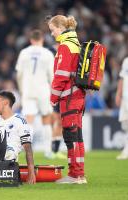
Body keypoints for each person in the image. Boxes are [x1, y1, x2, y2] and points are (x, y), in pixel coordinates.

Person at [48, 15, 87, 184]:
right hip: (78, 96)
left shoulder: (65, 46)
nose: (51, 34)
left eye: (53, 30)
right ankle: (80, 174)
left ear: (61, 28)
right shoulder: (76, 44)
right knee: (77, 136)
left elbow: (61, 75)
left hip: (69, 97)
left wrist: (53, 97)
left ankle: (75, 175)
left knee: (71, 137)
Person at [15, 29, 55, 159]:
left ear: (31, 40)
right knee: (46, 119)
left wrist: (21, 89)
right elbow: (52, 76)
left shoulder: (24, 53)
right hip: (44, 90)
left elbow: (19, 74)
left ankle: (26, 149)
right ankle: (48, 151)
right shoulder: (48, 53)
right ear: (42, 39)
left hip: (28, 90)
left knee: (29, 121)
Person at [0, 91, 36, 184]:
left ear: (6, 103)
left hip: (9, 157)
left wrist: (31, 172)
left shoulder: (20, 121)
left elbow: (27, 148)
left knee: (9, 152)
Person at [115, 57, 128, 160]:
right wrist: (118, 94)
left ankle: (126, 151)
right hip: (125, 97)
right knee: (125, 125)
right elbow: (122, 78)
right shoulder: (126, 61)